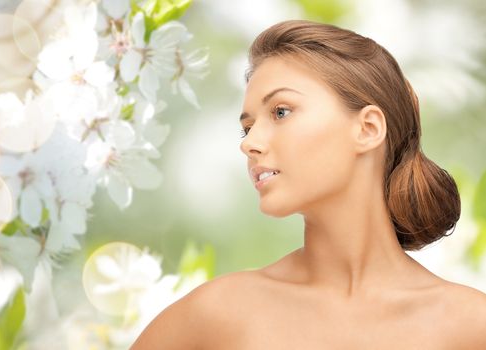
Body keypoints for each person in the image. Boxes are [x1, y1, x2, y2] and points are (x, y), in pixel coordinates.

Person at [131, 20, 486, 349]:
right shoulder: (216, 314)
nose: (249, 143)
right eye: (248, 126)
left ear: (368, 129)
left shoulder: (470, 324)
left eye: (281, 112)